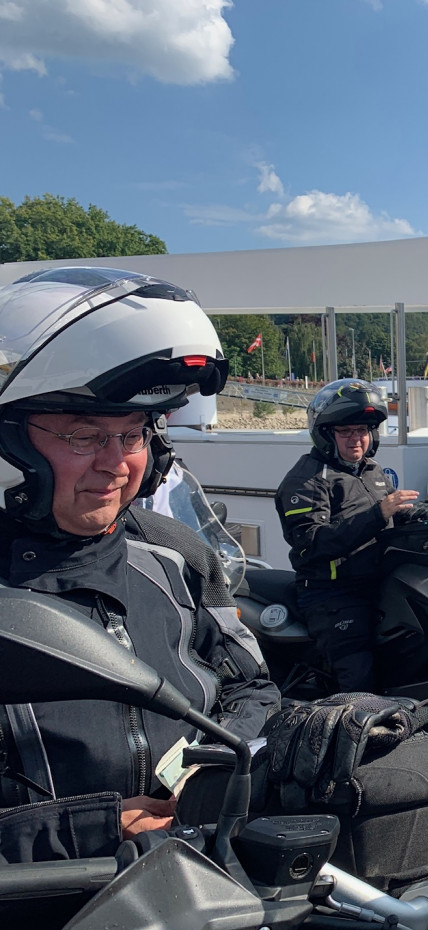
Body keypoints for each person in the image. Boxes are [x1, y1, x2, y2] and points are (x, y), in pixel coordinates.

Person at [0, 266, 279, 864]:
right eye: (83, 436)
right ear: (10, 443)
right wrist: (94, 829)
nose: (117, 464)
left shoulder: (175, 553)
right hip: (49, 909)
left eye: (132, 435)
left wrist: (209, 772)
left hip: (198, 876)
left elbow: (251, 686)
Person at [275, 378, 420, 693]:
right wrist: (377, 514)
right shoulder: (307, 480)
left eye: (362, 431)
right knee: (360, 678)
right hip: (333, 595)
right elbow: (311, 543)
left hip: (378, 582)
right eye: (346, 431)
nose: (356, 439)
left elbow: (398, 515)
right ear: (326, 434)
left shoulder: (370, 471)